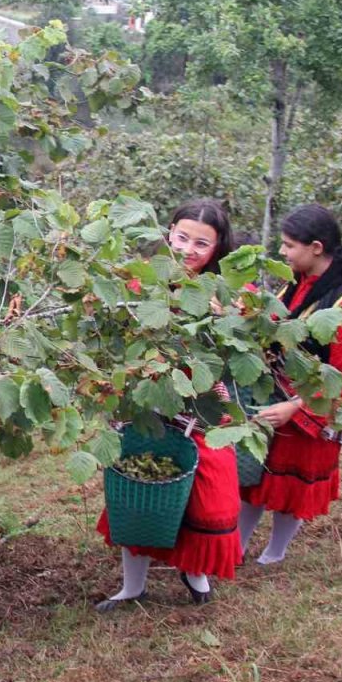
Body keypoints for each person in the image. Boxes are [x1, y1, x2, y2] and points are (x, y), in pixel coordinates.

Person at [96, 199, 243, 610]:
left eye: (202, 243)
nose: (188, 249)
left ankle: (194, 571)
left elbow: (239, 351)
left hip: (204, 406)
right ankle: (132, 586)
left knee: (207, 492)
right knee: (138, 488)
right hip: (148, 401)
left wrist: (223, 318)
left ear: (217, 249)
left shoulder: (225, 294)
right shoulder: (143, 284)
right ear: (168, 235)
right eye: (182, 238)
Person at [238, 205, 342, 564]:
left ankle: (274, 552)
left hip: (308, 409)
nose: (282, 252)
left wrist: (296, 406)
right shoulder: (295, 284)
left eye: (288, 245)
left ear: (315, 247)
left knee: (292, 487)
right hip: (275, 396)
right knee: (254, 480)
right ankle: (237, 545)